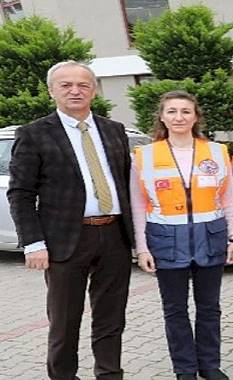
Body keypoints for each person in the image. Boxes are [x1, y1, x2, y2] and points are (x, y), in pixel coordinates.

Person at [7, 60, 134, 380]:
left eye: (83, 84)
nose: (75, 91)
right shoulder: (33, 134)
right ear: (52, 91)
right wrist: (33, 243)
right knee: (65, 320)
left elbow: (125, 183)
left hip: (114, 235)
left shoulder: (114, 130)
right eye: (66, 85)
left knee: (111, 317)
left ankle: (109, 374)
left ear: (94, 90)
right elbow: (21, 192)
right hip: (64, 240)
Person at [131, 90, 233, 380]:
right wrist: (142, 248)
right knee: (175, 310)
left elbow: (227, 199)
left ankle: (209, 365)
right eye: (172, 111)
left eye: (185, 111)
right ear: (162, 117)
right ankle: (185, 369)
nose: (179, 117)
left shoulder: (217, 152)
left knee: (209, 307)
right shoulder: (145, 155)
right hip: (166, 241)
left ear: (195, 116)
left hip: (211, 237)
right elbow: (138, 205)